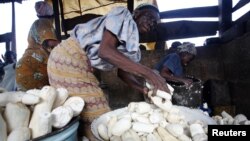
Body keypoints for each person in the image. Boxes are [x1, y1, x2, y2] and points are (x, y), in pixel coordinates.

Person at [47, 3, 170, 140]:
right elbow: (105, 51)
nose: (152, 23)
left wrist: (143, 89)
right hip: (68, 58)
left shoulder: (132, 46)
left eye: (155, 23)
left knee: (82, 117)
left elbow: (123, 73)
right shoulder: (123, 15)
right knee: (101, 120)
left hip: (78, 65)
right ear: (136, 13)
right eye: (149, 17)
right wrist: (150, 73)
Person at [15, 1, 59, 91]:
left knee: (34, 100)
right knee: (36, 99)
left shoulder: (40, 22)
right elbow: (50, 42)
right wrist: (69, 44)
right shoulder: (43, 22)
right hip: (32, 68)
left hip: (28, 66)